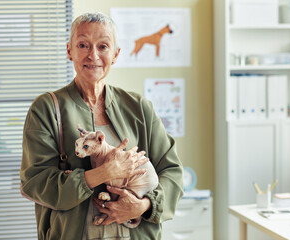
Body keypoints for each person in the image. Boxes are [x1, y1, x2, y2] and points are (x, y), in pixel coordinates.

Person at [20, 12, 183, 240]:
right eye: (83, 45)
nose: (93, 55)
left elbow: (172, 171)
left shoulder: (139, 107)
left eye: (103, 46)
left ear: (115, 54)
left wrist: (143, 205)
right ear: (70, 51)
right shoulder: (46, 108)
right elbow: (35, 182)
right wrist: (104, 173)